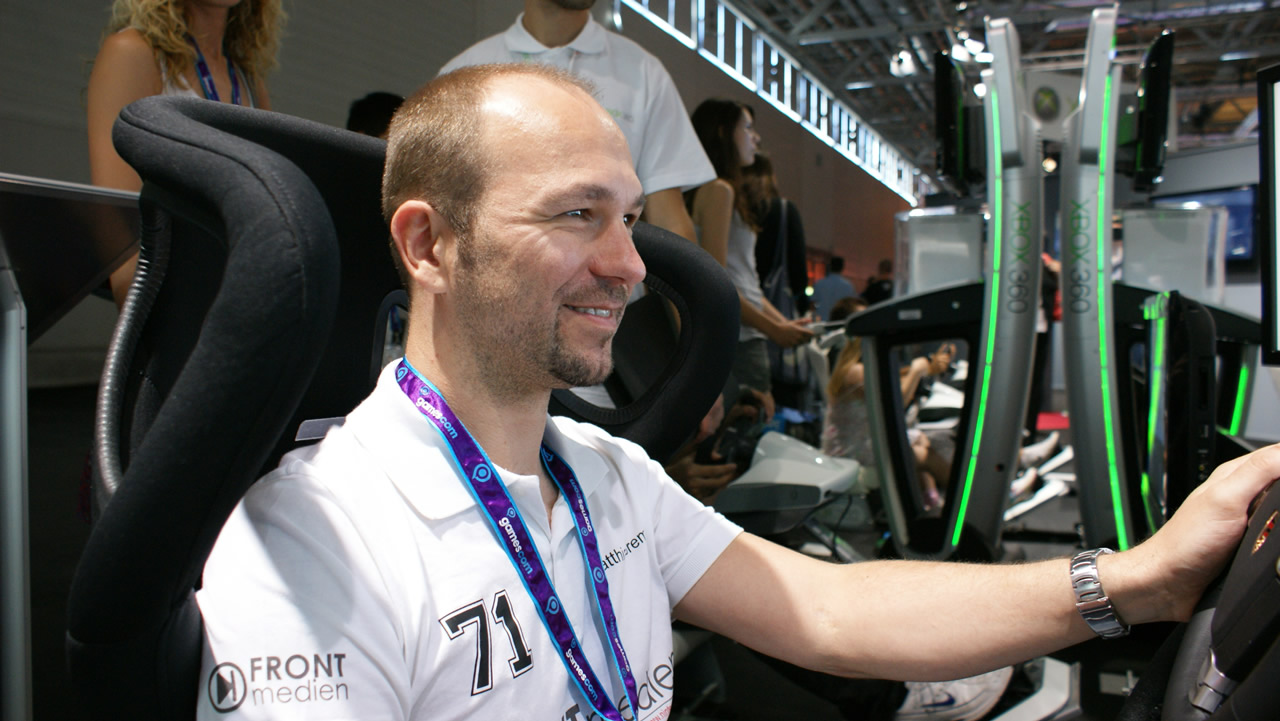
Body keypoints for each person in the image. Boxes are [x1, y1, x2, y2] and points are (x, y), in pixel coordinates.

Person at [195, 64, 1280, 720]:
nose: (629, 265)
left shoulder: (604, 471)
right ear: (429, 245)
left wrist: (1133, 581)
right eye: (577, 215)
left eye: (628, 217)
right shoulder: (312, 544)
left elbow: (828, 609)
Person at [438, 0, 712, 245]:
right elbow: (443, 208)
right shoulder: (465, 73)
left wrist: (692, 286)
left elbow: (670, 219)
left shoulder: (643, 73)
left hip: (607, 275)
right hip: (497, 274)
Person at [87, 0, 284, 308]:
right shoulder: (133, 52)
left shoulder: (247, 79)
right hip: (176, 307)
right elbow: (119, 225)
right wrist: (155, 323)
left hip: (243, 299)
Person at [687, 98, 813, 405]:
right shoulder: (719, 190)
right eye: (747, 128)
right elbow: (718, 282)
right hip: (740, 338)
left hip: (744, 332)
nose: (756, 138)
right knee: (753, 418)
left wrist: (780, 324)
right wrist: (774, 329)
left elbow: (744, 280)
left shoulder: (720, 190)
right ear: (723, 132)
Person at [822, 297, 955, 511]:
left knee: (922, 442)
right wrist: (918, 370)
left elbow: (890, 378)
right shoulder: (855, 372)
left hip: (861, 446)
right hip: (854, 454)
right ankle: (966, 503)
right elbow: (896, 399)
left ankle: (930, 501)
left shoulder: (854, 369)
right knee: (925, 455)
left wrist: (927, 367)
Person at [744, 153, 810, 317]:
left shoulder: (736, 208)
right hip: (772, 304)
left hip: (739, 300)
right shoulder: (783, 210)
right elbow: (798, 272)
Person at [812, 256, 855, 321]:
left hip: (822, 320)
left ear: (830, 266)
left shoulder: (820, 283)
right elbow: (851, 305)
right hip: (840, 321)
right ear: (842, 267)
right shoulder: (848, 285)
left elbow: (812, 303)